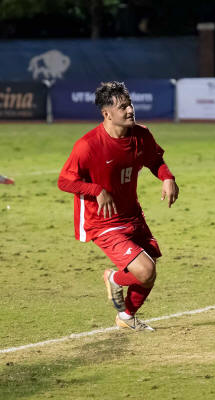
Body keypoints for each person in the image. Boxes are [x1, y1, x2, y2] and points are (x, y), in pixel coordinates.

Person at [58, 81, 179, 332]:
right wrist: (96, 190)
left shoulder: (141, 135)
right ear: (107, 114)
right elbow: (65, 181)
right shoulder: (88, 146)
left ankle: (126, 317)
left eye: (130, 104)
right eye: (123, 107)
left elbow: (155, 160)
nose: (130, 110)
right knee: (145, 270)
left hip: (131, 214)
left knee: (149, 268)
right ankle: (113, 278)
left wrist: (167, 177)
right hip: (103, 221)